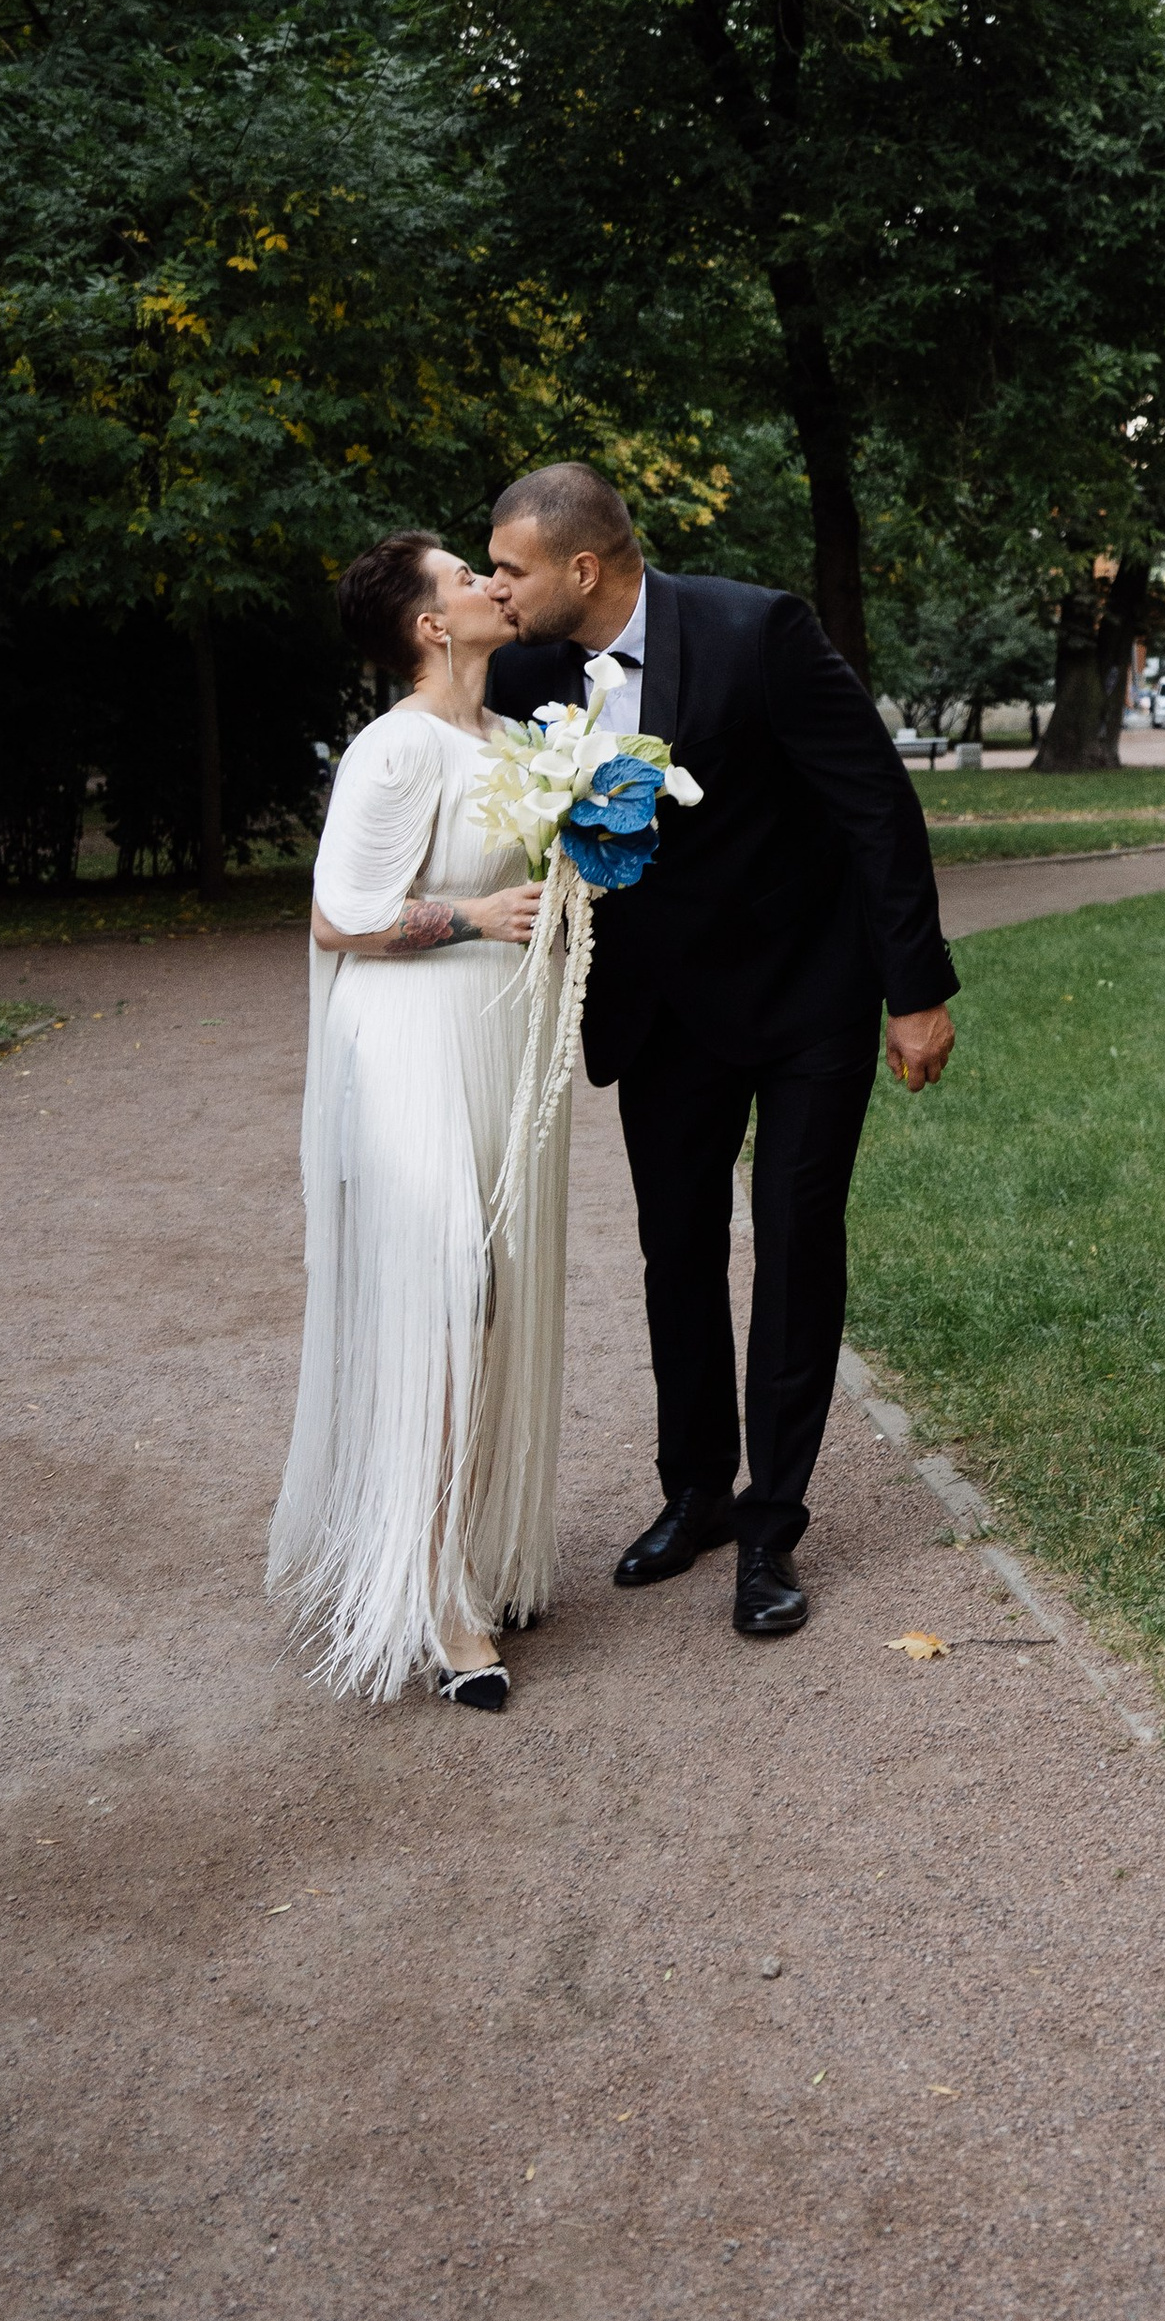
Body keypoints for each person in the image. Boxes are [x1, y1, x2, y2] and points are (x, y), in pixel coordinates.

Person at [484, 463, 957, 1644]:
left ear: (582, 567)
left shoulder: (758, 632)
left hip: (807, 997)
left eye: (511, 570)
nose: (499, 591)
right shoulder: (530, 670)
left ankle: (769, 1527)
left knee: (794, 1249)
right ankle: (693, 1490)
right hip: (661, 1014)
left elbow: (874, 804)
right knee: (676, 1254)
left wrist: (916, 992)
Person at [268, 538, 559, 1714]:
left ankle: (470, 1546)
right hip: (404, 1044)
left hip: (490, 1038)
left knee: (490, 1296)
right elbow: (340, 917)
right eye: (465, 578)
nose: (492, 583)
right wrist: (478, 916)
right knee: (448, 1287)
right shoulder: (393, 749)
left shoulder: (519, 743)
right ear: (431, 627)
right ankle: (431, 1593)